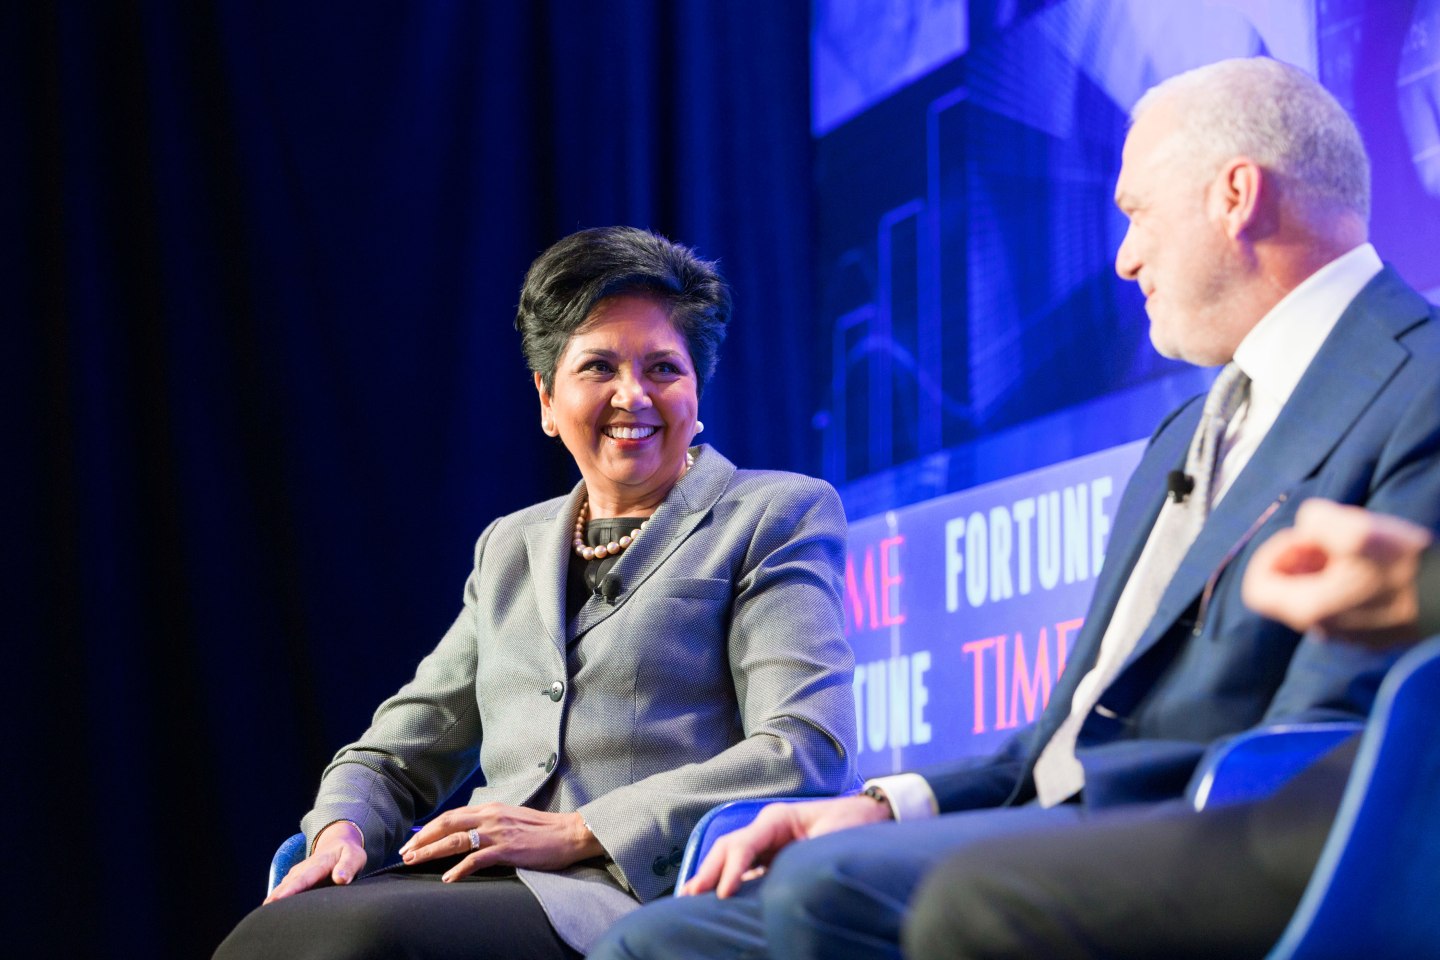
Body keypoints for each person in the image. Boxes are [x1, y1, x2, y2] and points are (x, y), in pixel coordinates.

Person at [588, 56, 1440, 960]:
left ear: (1236, 196)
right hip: (1060, 823)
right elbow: (1067, 732)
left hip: (1213, 839)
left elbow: (1343, 734)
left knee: (831, 889)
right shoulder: (1185, 433)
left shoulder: (1417, 383)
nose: (1125, 257)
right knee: (659, 941)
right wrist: (883, 805)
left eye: (1137, 214)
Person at [212, 226, 858, 960]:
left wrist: (586, 831)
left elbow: (805, 747)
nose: (632, 395)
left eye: (662, 368)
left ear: (696, 390)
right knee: (272, 935)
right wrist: (342, 828)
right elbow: (396, 752)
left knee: (362, 945)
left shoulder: (775, 514)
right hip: (485, 878)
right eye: (598, 367)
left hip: (643, 889)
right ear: (548, 400)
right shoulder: (510, 547)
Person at [901, 499, 1439, 959]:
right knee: (836, 876)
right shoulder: (1182, 434)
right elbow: (1071, 714)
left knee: (982, 902)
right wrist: (898, 799)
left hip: (1353, 801)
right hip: (1323, 791)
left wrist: (1421, 587)